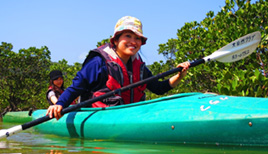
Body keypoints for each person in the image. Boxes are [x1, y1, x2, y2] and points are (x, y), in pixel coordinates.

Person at [47, 16, 190, 120]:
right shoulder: (98, 62)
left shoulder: (139, 67)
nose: (133, 42)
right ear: (115, 40)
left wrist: (179, 76)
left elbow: (159, 88)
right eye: (128, 36)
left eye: (137, 38)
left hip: (131, 117)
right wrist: (59, 105)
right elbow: (76, 87)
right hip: (100, 118)